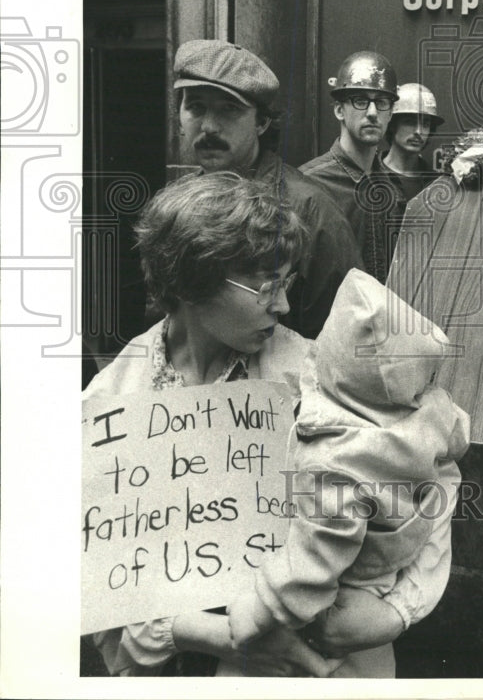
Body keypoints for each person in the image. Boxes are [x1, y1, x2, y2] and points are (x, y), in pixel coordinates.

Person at [83, 174, 457, 677]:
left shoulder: (322, 374)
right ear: (193, 279)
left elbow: (435, 474)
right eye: (264, 285)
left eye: (286, 282)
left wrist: (399, 609)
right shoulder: (111, 405)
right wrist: (213, 636)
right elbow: (95, 588)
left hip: (334, 664)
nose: (281, 305)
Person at [228, 268, 469, 677]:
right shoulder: (433, 412)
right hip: (392, 564)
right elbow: (456, 443)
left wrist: (263, 606)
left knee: (323, 656)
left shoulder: (336, 459)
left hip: (346, 585)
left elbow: (317, 554)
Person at [174, 39, 362, 339]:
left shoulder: (309, 210)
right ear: (179, 116)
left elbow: (345, 339)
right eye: (195, 107)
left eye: (228, 110)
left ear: (261, 122)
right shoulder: (178, 206)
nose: (209, 126)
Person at [300, 51, 402, 283]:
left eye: (382, 102)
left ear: (391, 113)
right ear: (339, 110)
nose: (373, 113)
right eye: (361, 101)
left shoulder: (392, 188)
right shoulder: (307, 186)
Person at [382, 83, 443, 203]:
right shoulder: (369, 175)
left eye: (425, 124)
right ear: (392, 124)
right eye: (410, 122)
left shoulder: (437, 183)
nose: (419, 132)